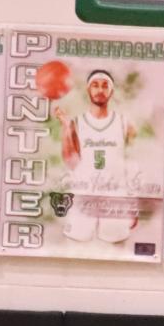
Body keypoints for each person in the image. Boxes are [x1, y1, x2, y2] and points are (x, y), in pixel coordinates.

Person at [53, 69, 139, 243]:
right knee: (77, 245)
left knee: (118, 248)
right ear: (88, 90)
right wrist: (66, 128)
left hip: (115, 195)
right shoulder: (76, 123)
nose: (100, 90)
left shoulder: (125, 123)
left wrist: (133, 203)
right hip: (84, 192)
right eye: (95, 85)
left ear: (111, 92)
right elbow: (71, 161)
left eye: (105, 86)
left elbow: (132, 163)